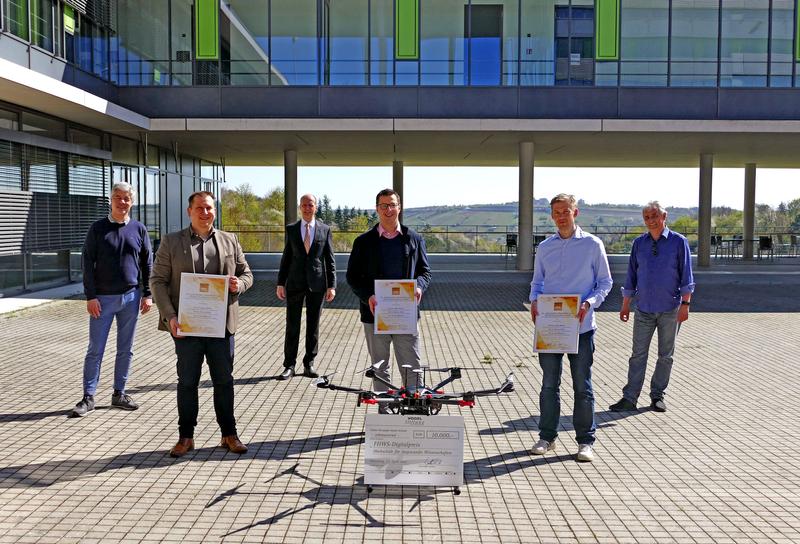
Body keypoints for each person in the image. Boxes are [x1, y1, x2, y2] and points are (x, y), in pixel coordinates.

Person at [150, 191, 253, 458]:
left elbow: (246, 273)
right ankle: (186, 437)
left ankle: (229, 434)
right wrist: (170, 316)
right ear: (189, 211)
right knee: (186, 382)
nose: (205, 213)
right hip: (186, 326)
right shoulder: (171, 242)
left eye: (209, 208)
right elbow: (157, 281)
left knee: (224, 381)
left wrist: (238, 284)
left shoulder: (230, 240)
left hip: (221, 326)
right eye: (199, 208)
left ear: (214, 211)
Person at [529, 194, 612, 462]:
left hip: (581, 326)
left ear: (576, 212)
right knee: (549, 384)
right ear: (551, 215)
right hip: (551, 326)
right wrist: (533, 301)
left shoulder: (592, 244)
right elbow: (537, 283)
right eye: (556, 212)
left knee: (582, 386)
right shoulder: (545, 247)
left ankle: (586, 441)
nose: (561, 216)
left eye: (566, 211)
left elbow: (605, 282)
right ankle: (547, 436)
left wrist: (590, 302)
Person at [71, 182, 153, 417]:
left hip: (131, 297)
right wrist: (91, 296)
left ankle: (119, 393)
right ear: (111, 200)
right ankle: (88, 397)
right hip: (102, 299)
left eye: (126, 198)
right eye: (117, 197)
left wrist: (147, 294)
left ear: (132, 202)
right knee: (95, 349)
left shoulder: (139, 229)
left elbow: (147, 264)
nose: (122, 202)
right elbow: (87, 262)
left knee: (126, 350)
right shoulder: (97, 229)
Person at [346, 189, 431, 411]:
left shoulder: (414, 239)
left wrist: (419, 288)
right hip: (374, 314)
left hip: (405, 314)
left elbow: (425, 272)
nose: (388, 210)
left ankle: (414, 410)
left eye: (392, 205)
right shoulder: (363, 242)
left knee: (411, 366)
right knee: (380, 367)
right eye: (383, 206)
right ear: (377, 209)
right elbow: (352, 277)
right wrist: (369, 296)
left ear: (399, 208)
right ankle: (384, 414)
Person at [609, 201, 694, 413]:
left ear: (664, 216)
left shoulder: (678, 242)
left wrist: (686, 304)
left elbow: (686, 276)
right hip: (644, 308)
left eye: (654, 216)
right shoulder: (639, 243)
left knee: (665, 355)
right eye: (646, 217)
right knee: (638, 354)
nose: (651, 221)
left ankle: (657, 395)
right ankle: (630, 398)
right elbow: (632, 275)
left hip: (671, 308)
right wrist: (625, 304)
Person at [276, 194, 336, 380]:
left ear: (316, 207)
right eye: (304, 205)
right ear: (300, 207)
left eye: (310, 205)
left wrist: (331, 285)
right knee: (292, 326)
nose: (307, 208)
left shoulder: (324, 230)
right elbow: (286, 258)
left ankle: (309, 364)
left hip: (317, 284)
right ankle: (289, 366)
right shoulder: (292, 229)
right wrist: (280, 283)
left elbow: (330, 260)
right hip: (294, 283)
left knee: (313, 326)